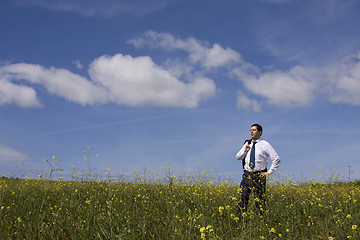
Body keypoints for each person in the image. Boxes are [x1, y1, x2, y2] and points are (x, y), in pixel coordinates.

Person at [235, 124, 280, 216]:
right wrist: (245, 150)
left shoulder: (265, 144)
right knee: (242, 198)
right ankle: (239, 220)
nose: (251, 132)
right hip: (247, 175)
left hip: (259, 175)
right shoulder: (247, 143)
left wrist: (269, 172)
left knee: (259, 200)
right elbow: (238, 157)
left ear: (260, 132)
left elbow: (276, 159)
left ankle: (262, 220)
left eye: (254, 130)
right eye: (251, 130)